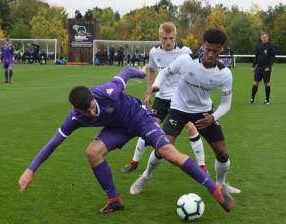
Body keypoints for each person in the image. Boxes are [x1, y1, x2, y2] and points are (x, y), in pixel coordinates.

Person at [18, 68, 234, 213]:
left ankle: (213, 188)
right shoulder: (74, 118)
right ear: (76, 109)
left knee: (169, 153)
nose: (92, 114)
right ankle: (114, 200)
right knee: (92, 152)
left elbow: (126, 72)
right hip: (118, 129)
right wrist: (30, 170)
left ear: (94, 98)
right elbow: (53, 142)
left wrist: (141, 73)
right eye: (86, 111)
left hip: (140, 118)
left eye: (93, 107)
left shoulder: (107, 92)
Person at [130, 28, 241, 196]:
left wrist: (213, 117)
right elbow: (165, 72)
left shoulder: (224, 74)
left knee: (222, 152)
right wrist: (156, 85)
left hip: (204, 114)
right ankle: (145, 176)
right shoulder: (185, 60)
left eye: (215, 51)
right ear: (203, 45)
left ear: (221, 50)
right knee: (163, 148)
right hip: (178, 109)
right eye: (208, 49)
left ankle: (221, 185)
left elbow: (226, 104)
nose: (211, 54)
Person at [121, 22, 207, 174]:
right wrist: (149, 93)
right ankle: (134, 161)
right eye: (165, 38)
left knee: (190, 127)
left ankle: (202, 166)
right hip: (161, 97)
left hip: (181, 98)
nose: (168, 42)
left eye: (171, 38)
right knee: (148, 126)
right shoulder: (154, 52)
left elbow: (195, 70)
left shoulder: (185, 51)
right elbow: (152, 72)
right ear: (160, 37)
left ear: (176, 37)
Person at [250, 32, 276, 105]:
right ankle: (252, 98)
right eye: (263, 37)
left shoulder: (271, 46)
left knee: (267, 83)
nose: (264, 38)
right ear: (261, 38)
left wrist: (269, 67)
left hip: (266, 68)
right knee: (255, 82)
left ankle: (267, 99)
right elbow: (256, 57)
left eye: (266, 37)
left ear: (268, 38)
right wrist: (253, 66)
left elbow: (273, 57)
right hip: (259, 68)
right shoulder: (259, 46)